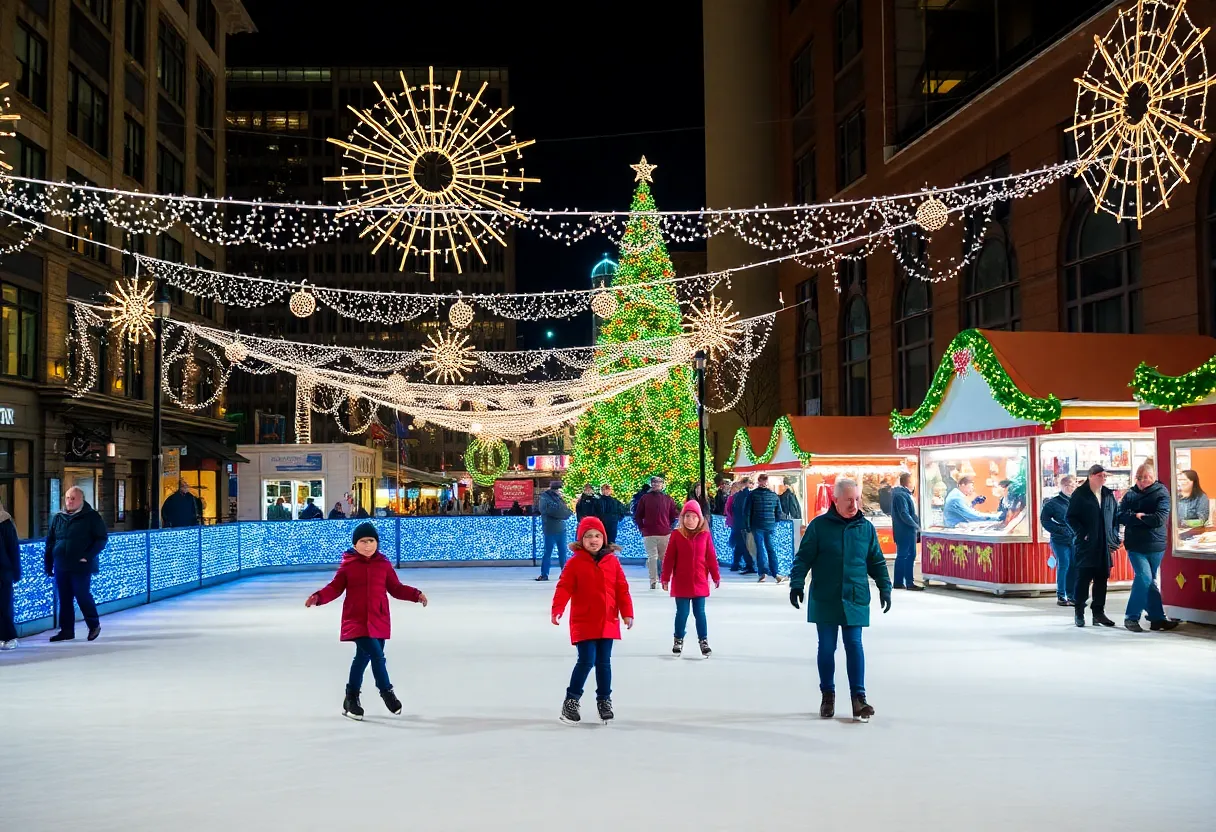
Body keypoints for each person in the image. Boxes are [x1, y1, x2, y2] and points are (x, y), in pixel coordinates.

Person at [789, 478, 892, 722]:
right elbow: (803, 558)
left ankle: (859, 699)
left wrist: (885, 587)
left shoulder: (865, 528)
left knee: (854, 644)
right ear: (835, 500)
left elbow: (876, 561)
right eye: (848, 500)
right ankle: (828, 695)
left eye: (856, 499)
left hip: (855, 595)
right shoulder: (819, 526)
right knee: (827, 647)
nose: (854, 505)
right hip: (826, 595)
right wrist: (796, 583)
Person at [305, 522, 427, 720]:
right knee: (377, 656)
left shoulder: (383, 565)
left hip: (378, 619)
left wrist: (416, 595)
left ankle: (350, 699)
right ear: (355, 544)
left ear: (377, 543)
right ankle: (386, 691)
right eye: (363, 541)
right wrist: (318, 597)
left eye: (371, 541)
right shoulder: (348, 566)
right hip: (357, 620)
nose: (368, 545)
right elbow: (335, 588)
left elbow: (396, 588)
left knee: (362, 659)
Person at [551, 516, 634, 725]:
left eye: (597, 536)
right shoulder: (575, 563)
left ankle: (604, 700)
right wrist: (557, 609)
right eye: (588, 536)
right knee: (587, 660)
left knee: (604, 662)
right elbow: (564, 587)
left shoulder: (612, 562)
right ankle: (571, 701)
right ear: (581, 540)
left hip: (607, 619)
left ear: (604, 539)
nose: (594, 540)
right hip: (584, 620)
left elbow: (622, 589)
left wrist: (627, 612)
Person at [1118, 463, 1179, 633]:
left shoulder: (1161, 493)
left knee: (1149, 581)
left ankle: (1157, 618)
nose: (1142, 481)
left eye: (1146, 477)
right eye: (1139, 477)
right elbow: (1120, 516)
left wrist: (1137, 517)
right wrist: (1139, 517)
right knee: (1144, 577)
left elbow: (1159, 519)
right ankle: (1131, 617)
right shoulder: (1130, 494)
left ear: (1153, 477)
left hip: (1155, 545)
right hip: (1135, 545)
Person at [44, 486, 108, 642]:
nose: (69, 501)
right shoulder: (58, 517)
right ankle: (66, 630)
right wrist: (48, 563)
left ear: (81, 500)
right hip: (61, 563)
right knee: (64, 598)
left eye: (73, 498)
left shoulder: (91, 517)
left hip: (81, 564)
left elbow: (101, 539)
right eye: (67, 498)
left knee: (82, 595)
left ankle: (93, 625)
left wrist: (88, 556)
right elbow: (51, 541)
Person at [661, 501, 720, 657]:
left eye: (694, 517)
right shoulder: (677, 535)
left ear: (699, 519)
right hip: (682, 582)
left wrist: (715, 575)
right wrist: (665, 578)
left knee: (700, 613)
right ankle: (678, 639)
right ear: (682, 518)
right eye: (687, 516)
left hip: (699, 581)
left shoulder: (705, 536)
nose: (690, 520)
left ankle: (703, 640)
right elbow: (669, 558)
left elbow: (711, 557)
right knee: (682, 613)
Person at [1066, 464, 1120, 628]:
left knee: (1102, 578)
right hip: (1087, 544)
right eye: (1099, 476)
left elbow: (1115, 516)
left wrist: (1114, 536)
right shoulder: (1080, 494)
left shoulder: (1108, 494)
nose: (1103, 479)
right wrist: (1082, 533)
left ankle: (1098, 612)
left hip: (1104, 544)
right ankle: (1079, 611)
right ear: (1090, 476)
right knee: (1083, 578)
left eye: (1104, 476)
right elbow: (1070, 517)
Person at [632, 475, 681, 590]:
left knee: (664, 558)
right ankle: (653, 581)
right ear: (651, 484)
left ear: (663, 485)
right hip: (649, 533)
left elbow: (674, 515)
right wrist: (642, 528)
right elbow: (638, 515)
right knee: (652, 558)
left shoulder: (668, 499)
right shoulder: (645, 498)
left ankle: (664, 579)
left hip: (664, 533)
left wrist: (670, 528)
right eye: (654, 482)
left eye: (659, 482)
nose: (656, 484)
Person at [1040, 477, 1078, 606]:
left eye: (1074, 485)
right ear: (1063, 486)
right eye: (1071, 485)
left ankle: (1072, 595)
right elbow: (1045, 520)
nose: (1073, 488)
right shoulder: (1053, 503)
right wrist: (1059, 530)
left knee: (1074, 566)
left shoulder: (1077, 502)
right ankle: (1061, 595)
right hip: (1059, 540)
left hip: (1075, 539)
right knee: (1064, 564)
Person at [748, 474, 787, 584]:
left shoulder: (752, 495)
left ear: (758, 481)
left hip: (757, 525)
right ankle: (775, 573)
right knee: (771, 549)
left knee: (760, 549)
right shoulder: (773, 495)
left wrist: (747, 526)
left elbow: (747, 511)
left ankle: (762, 573)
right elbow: (779, 512)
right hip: (770, 526)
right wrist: (775, 522)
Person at [890, 472, 922, 591]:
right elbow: (904, 514)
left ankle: (903, 582)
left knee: (907, 555)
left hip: (906, 530)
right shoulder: (901, 495)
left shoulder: (902, 494)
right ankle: (906, 582)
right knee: (906, 555)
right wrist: (915, 525)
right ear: (909, 483)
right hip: (905, 531)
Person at [536, 480, 573, 582]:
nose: (559, 492)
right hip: (550, 529)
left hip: (560, 529)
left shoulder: (558, 498)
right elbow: (547, 510)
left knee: (561, 553)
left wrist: (563, 512)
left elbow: (566, 512)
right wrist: (562, 512)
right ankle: (545, 574)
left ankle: (563, 574)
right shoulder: (545, 497)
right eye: (558, 489)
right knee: (549, 552)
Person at [0, 499, 20, 650]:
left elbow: (13, 547)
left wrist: (16, 571)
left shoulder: (4, 521)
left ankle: (9, 636)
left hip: (3, 570)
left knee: (4, 605)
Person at [726, 479, 755, 574]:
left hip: (737, 524)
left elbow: (730, 510)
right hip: (743, 525)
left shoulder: (736, 496)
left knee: (739, 545)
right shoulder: (748, 496)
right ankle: (749, 565)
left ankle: (736, 564)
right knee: (744, 545)